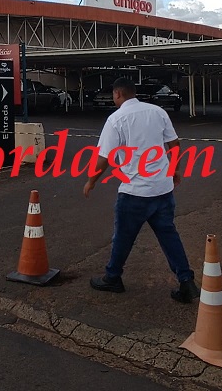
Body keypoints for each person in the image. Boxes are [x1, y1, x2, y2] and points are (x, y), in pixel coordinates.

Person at [83, 77, 200, 303]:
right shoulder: (157, 112)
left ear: (118, 94)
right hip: (163, 189)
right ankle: (186, 281)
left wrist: (91, 181)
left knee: (123, 237)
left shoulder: (116, 119)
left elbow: (104, 157)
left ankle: (113, 277)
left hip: (135, 192)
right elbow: (174, 144)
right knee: (169, 236)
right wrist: (176, 170)